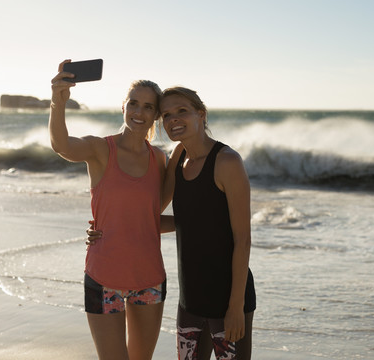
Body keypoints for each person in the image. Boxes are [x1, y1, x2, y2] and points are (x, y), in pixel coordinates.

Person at [88, 86, 256, 360]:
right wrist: (105, 228)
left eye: (182, 112)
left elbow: (243, 239)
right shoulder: (177, 158)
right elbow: (152, 217)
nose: (174, 120)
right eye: (166, 114)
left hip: (228, 300)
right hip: (190, 301)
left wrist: (236, 306)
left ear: (201, 115)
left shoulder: (227, 162)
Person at [49, 59, 168, 360]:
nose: (139, 112)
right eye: (134, 104)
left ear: (156, 115)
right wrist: (58, 101)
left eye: (148, 107)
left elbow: (148, 218)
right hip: (104, 277)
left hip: (149, 277)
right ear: (124, 107)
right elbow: (62, 145)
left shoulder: (160, 160)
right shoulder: (101, 149)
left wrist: (199, 222)